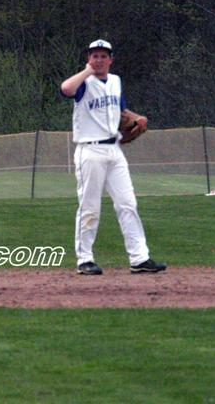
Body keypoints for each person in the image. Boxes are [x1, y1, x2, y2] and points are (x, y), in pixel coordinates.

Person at [60, 39, 166, 275]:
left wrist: (137, 118)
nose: (98, 60)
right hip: (90, 150)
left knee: (128, 203)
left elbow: (120, 110)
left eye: (103, 56)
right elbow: (66, 89)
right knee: (90, 206)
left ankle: (139, 258)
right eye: (94, 56)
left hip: (114, 150)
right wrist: (88, 71)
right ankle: (85, 259)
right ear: (89, 59)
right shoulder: (84, 83)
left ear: (111, 60)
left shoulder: (116, 81)